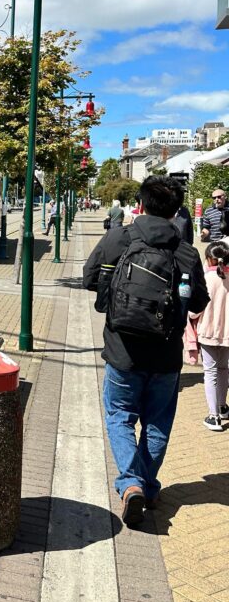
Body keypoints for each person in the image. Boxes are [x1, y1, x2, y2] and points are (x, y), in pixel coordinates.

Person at [83, 175, 208, 527]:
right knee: (157, 422)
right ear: (176, 209)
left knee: (119, 415)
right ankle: (147, 486)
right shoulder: (186, 251)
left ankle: (131, 482)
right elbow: (199, 300)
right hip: (166, 355)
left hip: (122, 350)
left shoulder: (119, 237)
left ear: (140, 204)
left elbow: (89, 277)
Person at [193, 241, 229, 430]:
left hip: (208, 331)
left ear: (208, 259)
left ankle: (213, 416)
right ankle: (223, 407)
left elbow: (194, 311)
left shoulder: (206, 279)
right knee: (224, 370)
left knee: (210, 372)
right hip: (228, 333)